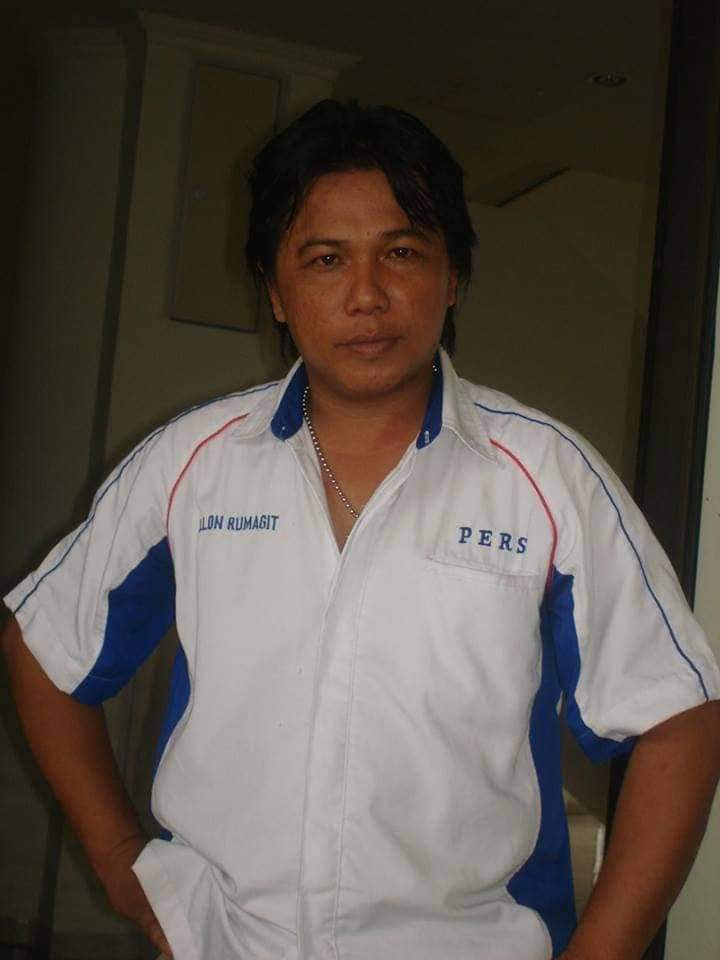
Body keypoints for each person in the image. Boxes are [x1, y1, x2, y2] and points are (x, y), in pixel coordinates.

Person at [3, 99, 720, 960]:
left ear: (452, 277)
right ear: (275, 290)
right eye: (326, 259)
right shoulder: (193, 464)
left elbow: (678, 719)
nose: (367, 295)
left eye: (403, 252)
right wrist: (119, 857)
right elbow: (43, 646)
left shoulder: (545, 478)